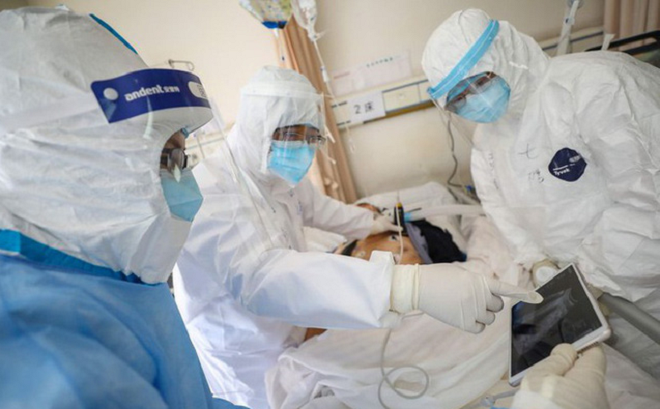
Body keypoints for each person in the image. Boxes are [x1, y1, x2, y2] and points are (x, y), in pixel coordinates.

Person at [173, 66, 538, 408]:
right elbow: (265, 279)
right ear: (260, 127)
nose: (304, 147)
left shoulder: (273, 172)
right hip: (245, 355)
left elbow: (319, 210)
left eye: (311, 137)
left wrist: (371, 224)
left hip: (299, 335)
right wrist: (406, 286)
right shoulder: (213, 194)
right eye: (295, 136)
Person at [0, 7, 245, 409]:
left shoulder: (114, 279)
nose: (187, 189)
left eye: (182, 161)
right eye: (167, 160)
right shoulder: (43, 352)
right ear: (59, 162)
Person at [422, 9, 660, 377]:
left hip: (645, 284)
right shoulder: (486, 144)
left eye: (480, 80)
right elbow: (501, 212)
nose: (475, 99)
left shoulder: (596, 86)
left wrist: (592, 275)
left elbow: (649, 202)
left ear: (505, 51)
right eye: (460, 97)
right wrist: (538, 262)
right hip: (591, 299)